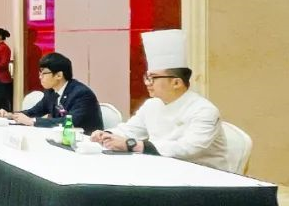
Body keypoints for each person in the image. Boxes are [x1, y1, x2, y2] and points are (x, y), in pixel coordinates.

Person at [91, 30, 230, 170]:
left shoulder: (204, 110)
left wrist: (133, 145)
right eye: (147, 77)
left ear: (176, 83)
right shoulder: (151, 105)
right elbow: (130, 130)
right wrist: (107, 135)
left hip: (205, 175)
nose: (147, 83)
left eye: (153, 78)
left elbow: (187, 148)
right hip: (164, 168)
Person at [1, 52, 103, 133]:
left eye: (44, 73)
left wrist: (32, 121)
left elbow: (69, 122)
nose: (40, 77)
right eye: (40, 73)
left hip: (86, 143)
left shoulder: (81, 94)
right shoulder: (51, 92)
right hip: (62, 138)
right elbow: (34, 111)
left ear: (59, 75)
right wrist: (11, 115)